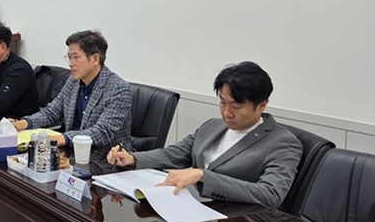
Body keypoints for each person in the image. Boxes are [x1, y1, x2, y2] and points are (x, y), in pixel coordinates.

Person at [107, 62, 301, 208]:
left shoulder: (283, 143)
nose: (227, 113)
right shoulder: (213, 126)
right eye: (222, 103)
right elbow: (174, 154)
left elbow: (271, 194)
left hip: (236, 220)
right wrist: (133, 158)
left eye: (236, 106)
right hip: (189, 206)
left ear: (262, 105)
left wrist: (203, 175)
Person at [10, 30, 132, 149]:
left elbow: (102, 132)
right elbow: (52, 112)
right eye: (69, 58)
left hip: (106, 157)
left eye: (76, 57)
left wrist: (62, 138)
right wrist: (23, 123)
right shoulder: (74, 81)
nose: (70, 63)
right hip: (70, 152)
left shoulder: (119, 90)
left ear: (95, 59)